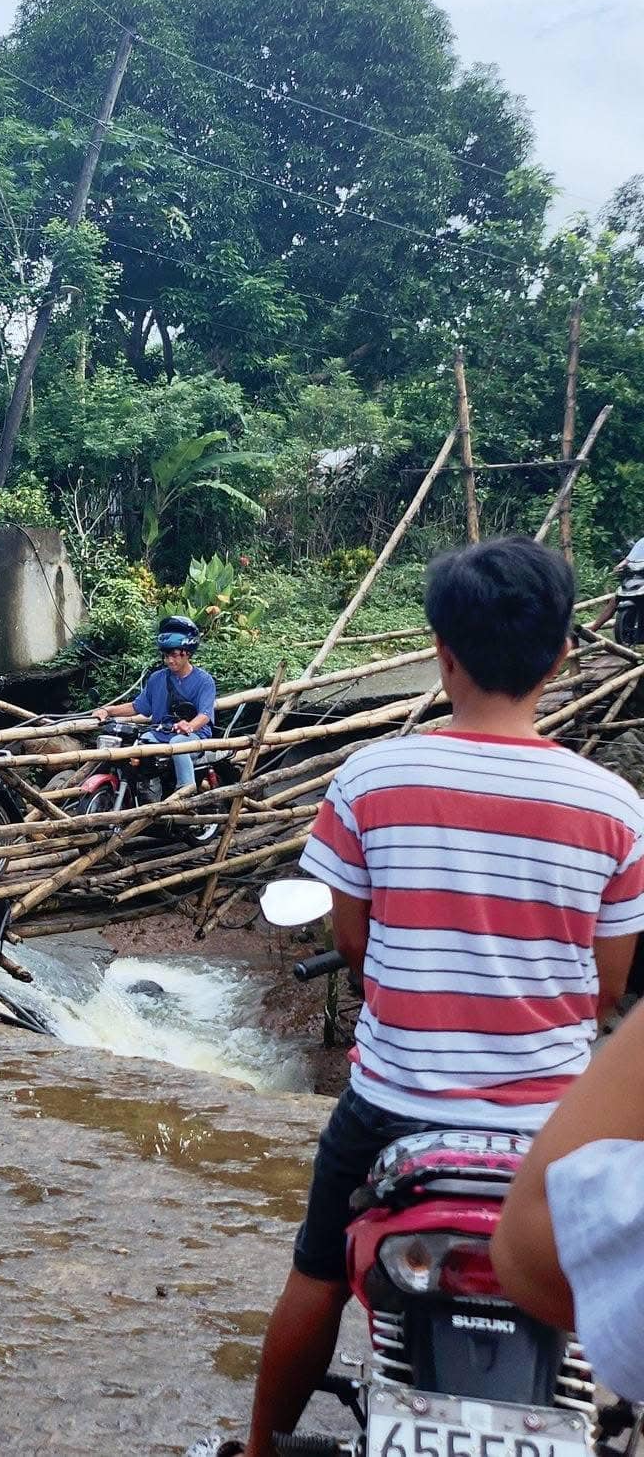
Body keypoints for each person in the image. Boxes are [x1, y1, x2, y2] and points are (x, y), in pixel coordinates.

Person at [240, 537, 644, 1457]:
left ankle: (261, 1448)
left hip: (393, 1107)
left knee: (316, 1274)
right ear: (564, 657)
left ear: (442, 652)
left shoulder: (369, 777)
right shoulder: (617, 808)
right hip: (551, 1121)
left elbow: (353, 941)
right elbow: (609, 986)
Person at [491, 998, 644, 1400]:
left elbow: (534, 1245)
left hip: (397, 1097)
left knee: (322, 1271)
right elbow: (607, 989)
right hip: (549, 1097)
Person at [92, 615, 216, 792]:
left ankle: (185, 793)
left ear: (187, 653)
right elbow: (137, 707)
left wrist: (188, 726)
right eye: (166, 655)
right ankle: (135, 792)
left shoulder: (204, 681)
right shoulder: (157, 678)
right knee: (132, 746)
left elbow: (204, 715)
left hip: (192, 737)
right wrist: (107, 710)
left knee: (178, 745)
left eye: (174, 655)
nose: (170, 660)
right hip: (159, 733)